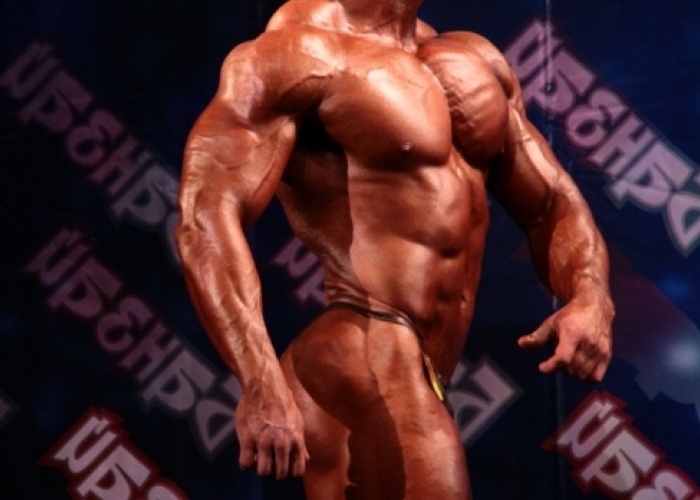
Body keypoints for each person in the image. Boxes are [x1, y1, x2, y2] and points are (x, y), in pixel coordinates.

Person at [176, 0, 614, 498]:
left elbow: (550, 204)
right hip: (360, 354)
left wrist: (590, 293)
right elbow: (205, 218)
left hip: (421, 372)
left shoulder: (473, 59)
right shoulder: (296, 51)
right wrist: (259, 379)